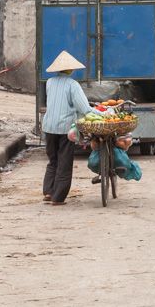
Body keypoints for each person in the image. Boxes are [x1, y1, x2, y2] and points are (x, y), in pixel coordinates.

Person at [41, 50, 94, 206]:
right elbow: (84, 108)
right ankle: (58, 197)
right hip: (65, 129)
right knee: (64, 162)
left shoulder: (49, 82)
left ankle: (49, 192)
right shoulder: (72, 85)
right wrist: (98, 112)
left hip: (49, 126)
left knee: (53, 160)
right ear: (70, 69)